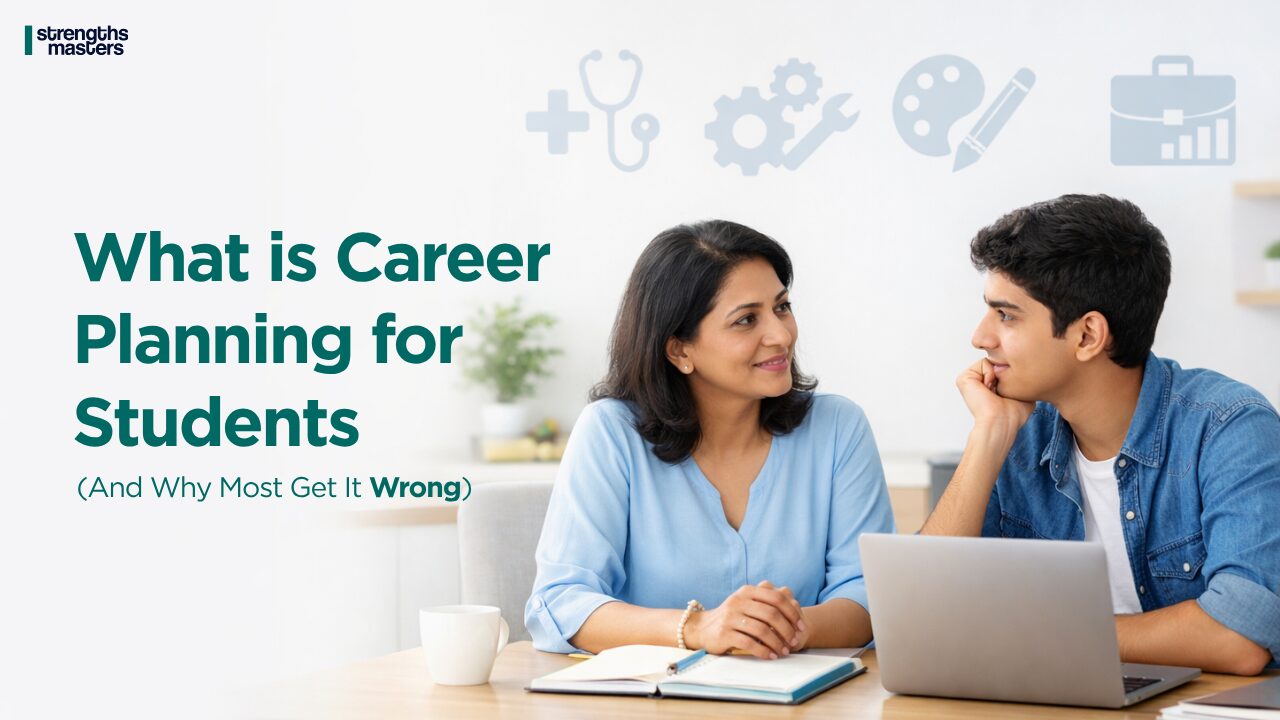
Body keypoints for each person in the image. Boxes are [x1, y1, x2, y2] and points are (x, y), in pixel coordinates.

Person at [921, 194, 1280, 675]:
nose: (981, 338)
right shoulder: (1016, 431)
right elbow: (923, 613)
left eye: (1005, 315)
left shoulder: (1230, 427)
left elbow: (1240, 634)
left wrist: (1047, 637)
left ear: (1088, 335)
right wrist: (989, 433)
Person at [525, 220, 894, 658]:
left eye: (782, 307)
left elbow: (871, 596)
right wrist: (699, 629)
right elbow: (561, 602)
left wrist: (779, 629)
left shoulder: (838, 428)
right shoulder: (610, 433)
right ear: (680, 350)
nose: (780, 335)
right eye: (746, 320)